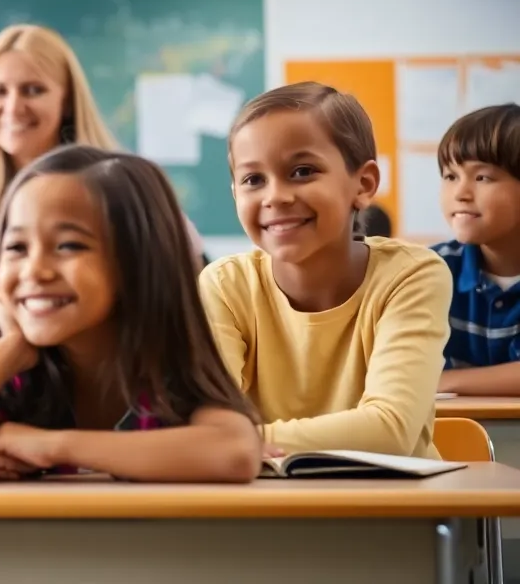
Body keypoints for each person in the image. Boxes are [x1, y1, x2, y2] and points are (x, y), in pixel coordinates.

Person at [0, 147, 260, 486]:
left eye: (68, 245)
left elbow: (235, 452)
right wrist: (6, 352)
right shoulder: (13, 374)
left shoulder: (166, 366)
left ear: (138, 263)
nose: (35, 271)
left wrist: (52, 447)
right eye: (16, 247)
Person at [201, 82, 452, 458]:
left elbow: (389, 430)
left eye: (302, 171)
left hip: (396, 509)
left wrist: (241, 439)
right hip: (263, 506)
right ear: (236, 193)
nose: (275, 196)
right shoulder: (225, 285)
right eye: (254, 180)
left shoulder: (412, 275)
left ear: (363, 184)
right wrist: (223, 437)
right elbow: (208, 419)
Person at [0, 24, 207, 319]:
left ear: (67, 100)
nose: (13, 106)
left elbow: (184, 275)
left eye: (33, 90)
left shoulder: (121, 179)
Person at [432, 103, 520, 396]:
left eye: (482, 177)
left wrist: (447, 381)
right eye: (450, 176)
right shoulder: (429, 270)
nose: (460, 193)